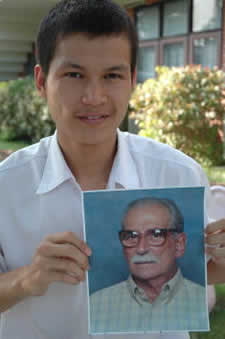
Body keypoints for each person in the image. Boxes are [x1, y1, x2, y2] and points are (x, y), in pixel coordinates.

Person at [0, 0, 224, 339]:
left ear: (133, 79)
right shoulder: (6, 185)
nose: (94, 96)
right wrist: (28, 277)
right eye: (74, 75)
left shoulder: (178, 174)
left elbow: (204, 269)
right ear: (42, 80)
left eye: (112, 76)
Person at [90, 197, 208, 333]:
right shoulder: (96, 304)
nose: (141, 249)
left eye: (156, 235)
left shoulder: (201, 300)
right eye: (131, 236)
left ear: (179, 244)